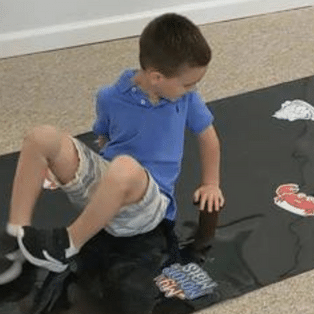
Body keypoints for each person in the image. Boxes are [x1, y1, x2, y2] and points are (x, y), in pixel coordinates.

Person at [0, 12, 224, 312]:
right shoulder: (109, 97)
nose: (193, 89)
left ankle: (67, 243)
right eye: (187, 84)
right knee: (41, 137)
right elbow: (103, 139)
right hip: (108, 193)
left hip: (149, 206)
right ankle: (17, 236)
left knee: (125, 167)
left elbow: (208, 137)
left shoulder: (186, 101)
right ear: (156, 77)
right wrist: (77, 170)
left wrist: (211, 183)